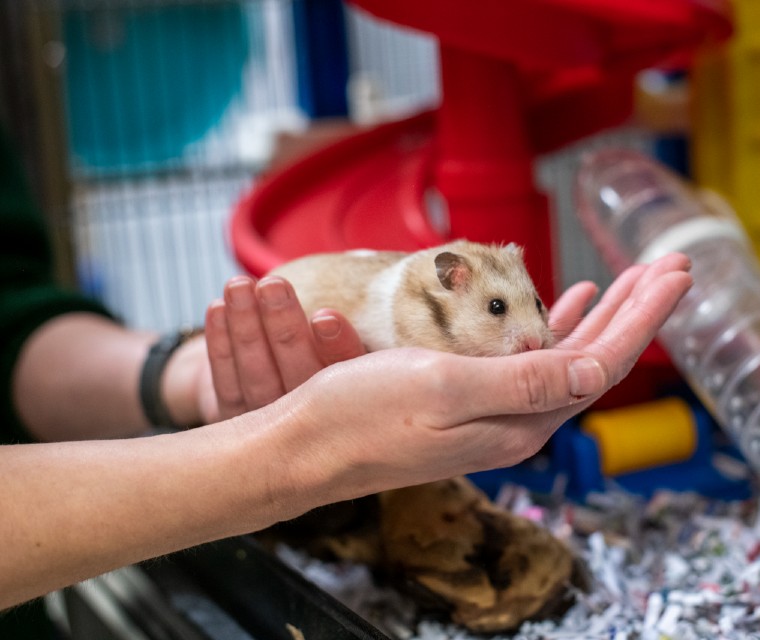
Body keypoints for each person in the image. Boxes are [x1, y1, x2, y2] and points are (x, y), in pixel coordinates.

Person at [0, 129, 693, 625]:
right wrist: (292, 455)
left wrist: (185, 374)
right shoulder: (413, 305)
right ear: (447, 284)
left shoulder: (461, 295)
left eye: (532, 307)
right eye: (496, 309)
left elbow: (16, 319)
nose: (534, 331)